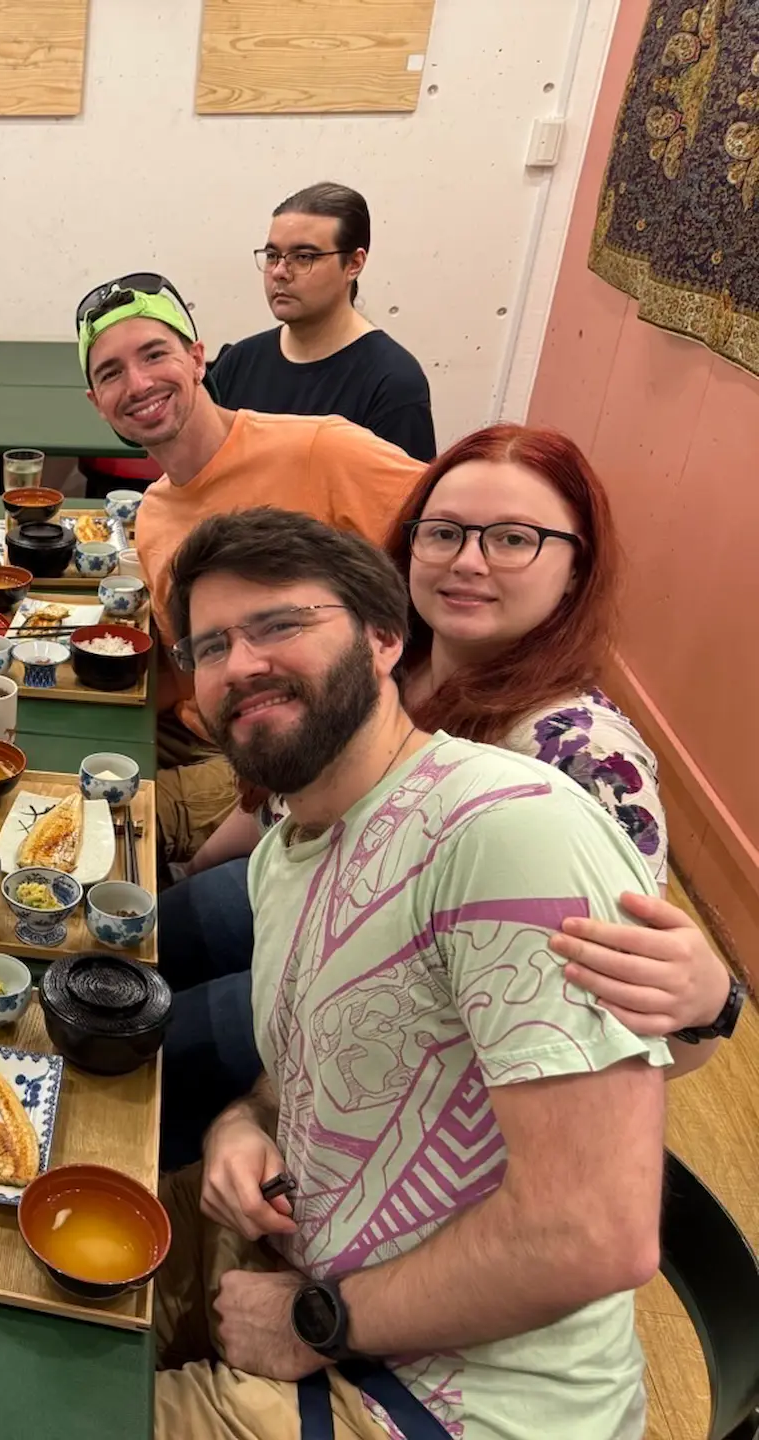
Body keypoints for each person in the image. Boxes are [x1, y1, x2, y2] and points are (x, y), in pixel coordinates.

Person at [152, 506, 667, 1439]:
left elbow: (595, 1232)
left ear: (386, 639)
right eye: (212, 644)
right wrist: (241, 1124)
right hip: (299, 1255)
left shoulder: (508, 831)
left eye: (279, 625)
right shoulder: (285, 853)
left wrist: (322, 1319)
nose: (242, 664)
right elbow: (307, 1061)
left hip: (433, 1400)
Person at [154, 426, 740, 1164]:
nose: (467, 562)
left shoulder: (582, 759)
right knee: (151, 935)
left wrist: (713, 1006)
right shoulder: (395, 653)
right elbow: (276, 805)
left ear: (574, 569)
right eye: (445, 533)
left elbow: (632, 1032)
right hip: (307, 890)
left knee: (164, 1052)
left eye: (512, 539)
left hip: (399, 989)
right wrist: (194, 867)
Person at [76, 271, 425, 859]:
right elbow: (187, 666)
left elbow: (450, 532)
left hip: (290, 754)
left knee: (92, 828)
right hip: (205, 729)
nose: (137, 384)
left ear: (196, 356)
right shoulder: (156, 517)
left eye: (154, 354)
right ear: (96, 402)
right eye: (111, 372)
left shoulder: (322, 449)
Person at [207, 182, 436, 461]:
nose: (280, 272)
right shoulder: (240, 361)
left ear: (354, 264)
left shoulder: (392, 383)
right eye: (272, 256)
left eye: (303, 257)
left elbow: (402, 500)